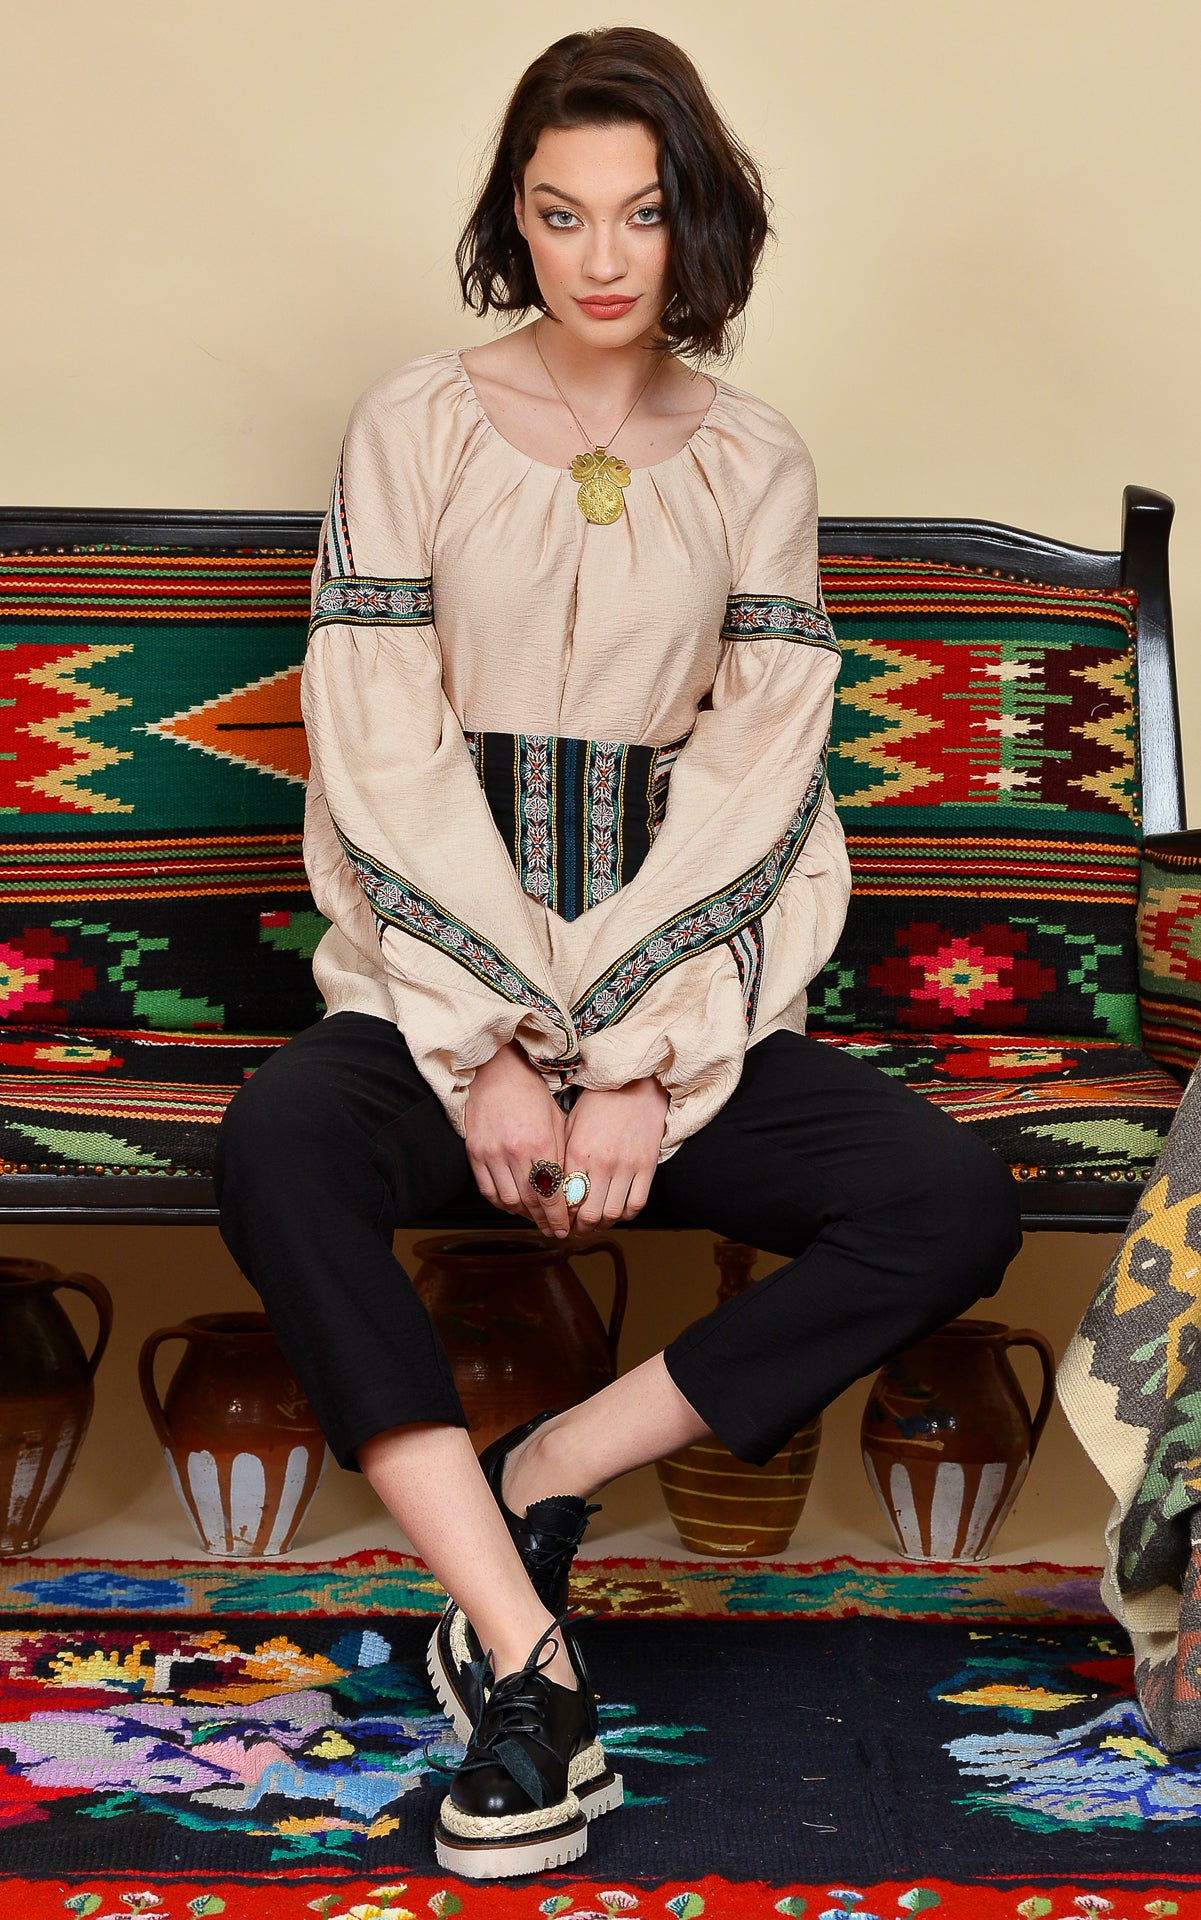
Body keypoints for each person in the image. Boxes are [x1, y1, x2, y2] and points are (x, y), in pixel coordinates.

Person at [215, 25, 1022, 1880]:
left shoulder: (753, 458)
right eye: (558, 211)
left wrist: (643, 1059)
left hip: (677, 1017)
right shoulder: (411, 425)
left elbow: (757, 778)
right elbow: (379, 745)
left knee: (942, 1198)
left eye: (641, 214)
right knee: (280, 1142)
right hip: (436, 1012)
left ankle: (550, 1471)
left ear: (695, 224)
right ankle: (525, 1653)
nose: (599, 256)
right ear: (512, 218)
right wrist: (499, 1041)